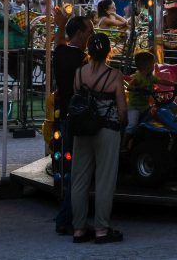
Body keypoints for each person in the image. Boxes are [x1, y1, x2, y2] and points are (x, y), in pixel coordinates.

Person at [71, 33, 127, 244]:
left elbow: (78, 100)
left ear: (89, 51)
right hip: (107, 129)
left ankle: (78, 229)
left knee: (79, 179)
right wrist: (124, 124)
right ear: (108, 52)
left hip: (82, 130)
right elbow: (121, 109)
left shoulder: (78, 73)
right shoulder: (114, 75)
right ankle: (102, 229)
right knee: (104, 180)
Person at [52, 15, 91, 236]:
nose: (90, 35)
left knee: (72, 171)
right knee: (79, 172)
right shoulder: (82, 62)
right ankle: (68, 218)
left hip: (66, 115)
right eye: (88, 31)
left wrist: (59, 24)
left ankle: (68, 216)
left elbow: (58, 43)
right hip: (79, 119)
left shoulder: (61, 54)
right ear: (79, 33)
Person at [126, 51, 156, 135]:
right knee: (132, 125)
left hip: (145, 106)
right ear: (147, 66)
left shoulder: (150, 77)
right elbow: (129, 86)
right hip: (135, 107)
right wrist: (137, 88)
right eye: (153, 64)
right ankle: (123, 143)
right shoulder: (137, 77)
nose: (154, 66)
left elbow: (161, 81)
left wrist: (175, 84)